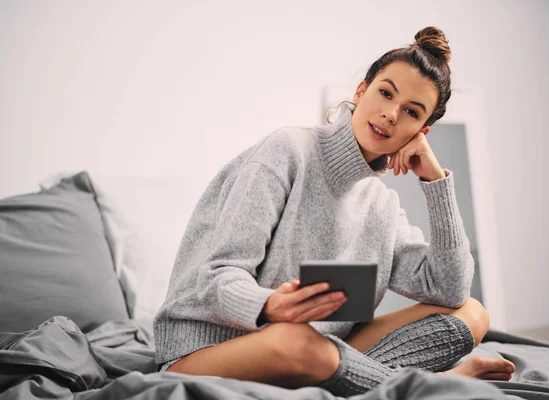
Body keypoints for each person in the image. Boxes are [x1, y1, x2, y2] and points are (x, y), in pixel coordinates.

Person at [153, 26, 515, 396]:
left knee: (472, 313)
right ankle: (424, 388)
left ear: (421, 132)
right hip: (206, 353)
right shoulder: (287, 152)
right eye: (385, 93)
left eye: (410, 111)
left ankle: (350, 374)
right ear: (362, 90)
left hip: (314, 351)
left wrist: (436, 184)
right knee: (296, 342)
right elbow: (216, 276)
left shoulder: (381, 205)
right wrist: (270, 306)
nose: (391, 114)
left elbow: (449, 289)